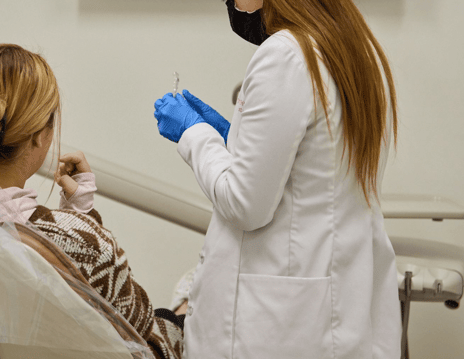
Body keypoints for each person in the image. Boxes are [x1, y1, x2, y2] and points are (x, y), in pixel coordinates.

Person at [153, 0, 401, 358]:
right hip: (332, 314)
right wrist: (230, 136)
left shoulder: (286, 55)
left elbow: (244, 205)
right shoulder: (348, 47)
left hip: (278, 328)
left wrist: (193, 134)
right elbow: (311, 170)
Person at [0, 44, 183, 359]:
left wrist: (77, 217)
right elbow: (144, 344)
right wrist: (182, 317)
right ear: (38, 136)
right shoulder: (79, 245)